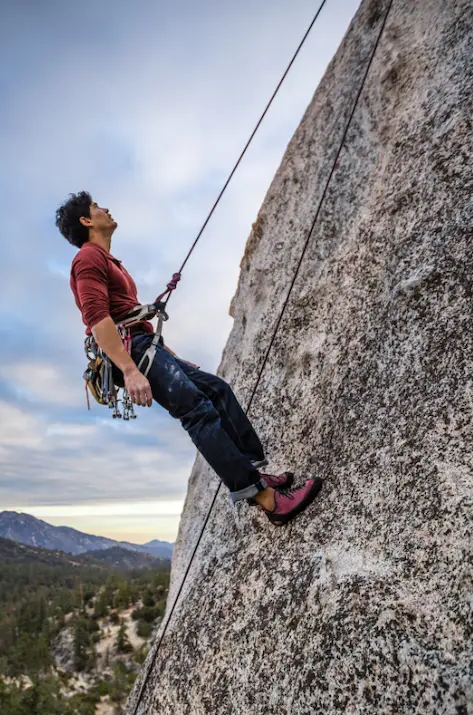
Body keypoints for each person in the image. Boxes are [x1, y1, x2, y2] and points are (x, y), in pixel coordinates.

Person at [56, 191, 322, 525]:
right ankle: (268, 500)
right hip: (132, 351)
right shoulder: (87, 258)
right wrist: (130, 370)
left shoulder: (107, 260)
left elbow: (128, 318)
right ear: (86, 221)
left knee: (216, 390)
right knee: (197, 411)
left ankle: (253, 472)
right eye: (97, 207)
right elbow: (97, 319)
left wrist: (174, 359)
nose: (105, 209)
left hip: (143, 345)